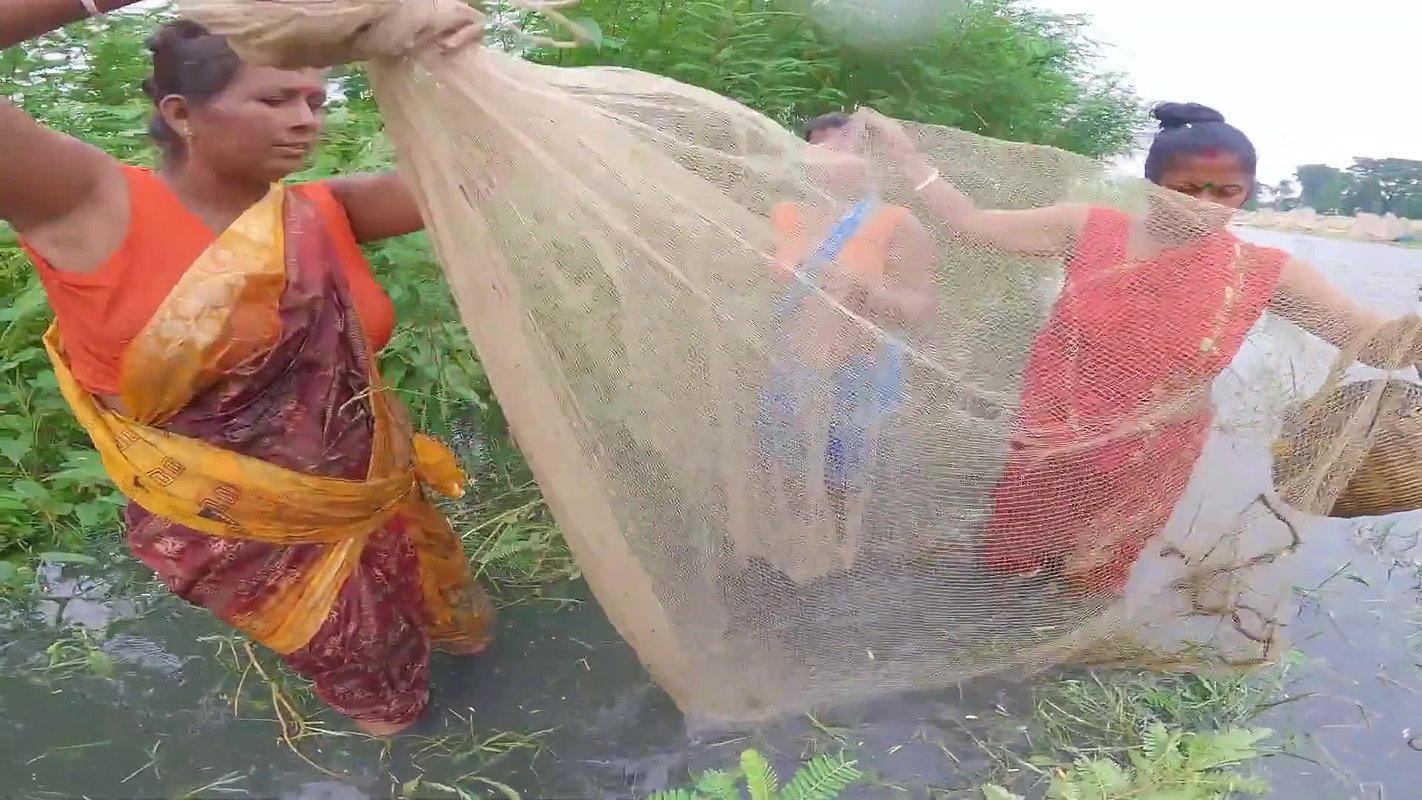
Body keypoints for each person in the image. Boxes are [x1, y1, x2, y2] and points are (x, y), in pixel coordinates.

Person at [1, 0, 488, 736]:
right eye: (274, 99)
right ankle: (416, 765)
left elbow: (477, 170)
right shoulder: (92, 206)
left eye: (315, 100)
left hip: (375, 496)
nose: (305, 119)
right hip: (255, 536)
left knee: (464, 633)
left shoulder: (316, 213)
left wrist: (444, 56)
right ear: (182, 113)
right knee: (382, 696)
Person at [862, 102, 1421, 598]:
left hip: (1152, 453)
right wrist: (908, 156)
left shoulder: (1263, 271)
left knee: (1091, 577)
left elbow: (1370, 338)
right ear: (1151, 184)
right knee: (1014, 566)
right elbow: (970, 225)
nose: (1206, 206)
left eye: (1227, 193)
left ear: (1246, 193)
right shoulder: (1089, 228)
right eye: (1187, 189)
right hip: (1052, 436)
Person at [758, 111, 935, 510]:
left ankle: (837, 559)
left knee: (842, 492)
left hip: (859, 375)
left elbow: (921, 306)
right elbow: (757, 283)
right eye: (817, 145)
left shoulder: (896, 221)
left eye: (842, 143)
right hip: (791, 371)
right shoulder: (784, 214)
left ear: (873, 161)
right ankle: (788, 561)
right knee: (783, 480)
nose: (829, 154)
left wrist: (869, 295)